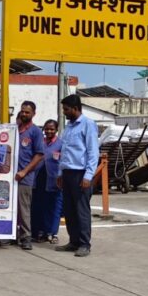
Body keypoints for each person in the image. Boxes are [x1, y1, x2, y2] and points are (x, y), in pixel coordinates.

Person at [56, 94, 99, 257]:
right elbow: (64, 152)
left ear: (75, 108)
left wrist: (88, 176)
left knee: (81, 210)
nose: (64, 112)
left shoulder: (88, 125)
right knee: (69, 210)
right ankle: (73, 241)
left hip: (80, 174)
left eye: (66, 109)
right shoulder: (68, 127)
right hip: (67, 173)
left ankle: (84, 244)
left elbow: (93, 152)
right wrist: (60, 172)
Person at [12, 101, 44, 250]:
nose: (24, 114)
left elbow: (39, 155)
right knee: (11, 208)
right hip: (10, 177)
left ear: (33, 114)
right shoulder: (15, 130)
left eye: (27, 112)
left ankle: (26, 237)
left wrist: (24, 171)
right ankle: (12, 235)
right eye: (22, 111)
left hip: (24, 177)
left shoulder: (35, 132)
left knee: (23, 208)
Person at [31, 119, 63, 244]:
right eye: (47, 129)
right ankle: (39, 232)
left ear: (56, 130)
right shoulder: (39, 142)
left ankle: (52, 233)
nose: (49, 131)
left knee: (53, 207)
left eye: (52, 129)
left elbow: (63, 161)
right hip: (38, 179)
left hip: (54, 180)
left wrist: (61, 176)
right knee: (38, 206)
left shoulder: (61, 144)